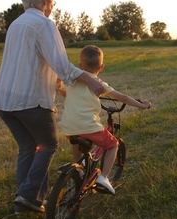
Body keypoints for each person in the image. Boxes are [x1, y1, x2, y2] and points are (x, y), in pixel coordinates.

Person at [0, 0, 104, 215]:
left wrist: (55, 80)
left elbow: (31, 61)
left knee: (28, 148)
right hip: (30, 101)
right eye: (52, 2)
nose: (52, 7)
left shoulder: (16, 24)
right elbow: (62, 66)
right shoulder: (43, 24)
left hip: (4, 102)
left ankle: (24, 199)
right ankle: (30, 195)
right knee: (48, 145)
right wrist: (92, 80)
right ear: (44, 3)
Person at [58, 45, 151, 194]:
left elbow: (63, 92)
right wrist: (143, 105)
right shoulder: (99, 84)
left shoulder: (72, 80)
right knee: (113, 144)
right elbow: (123, 98)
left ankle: (78, 167)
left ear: (80, 65)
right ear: (101, 67)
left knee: (76, 136)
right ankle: (104, 177)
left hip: (68, 125)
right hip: (88, 125)